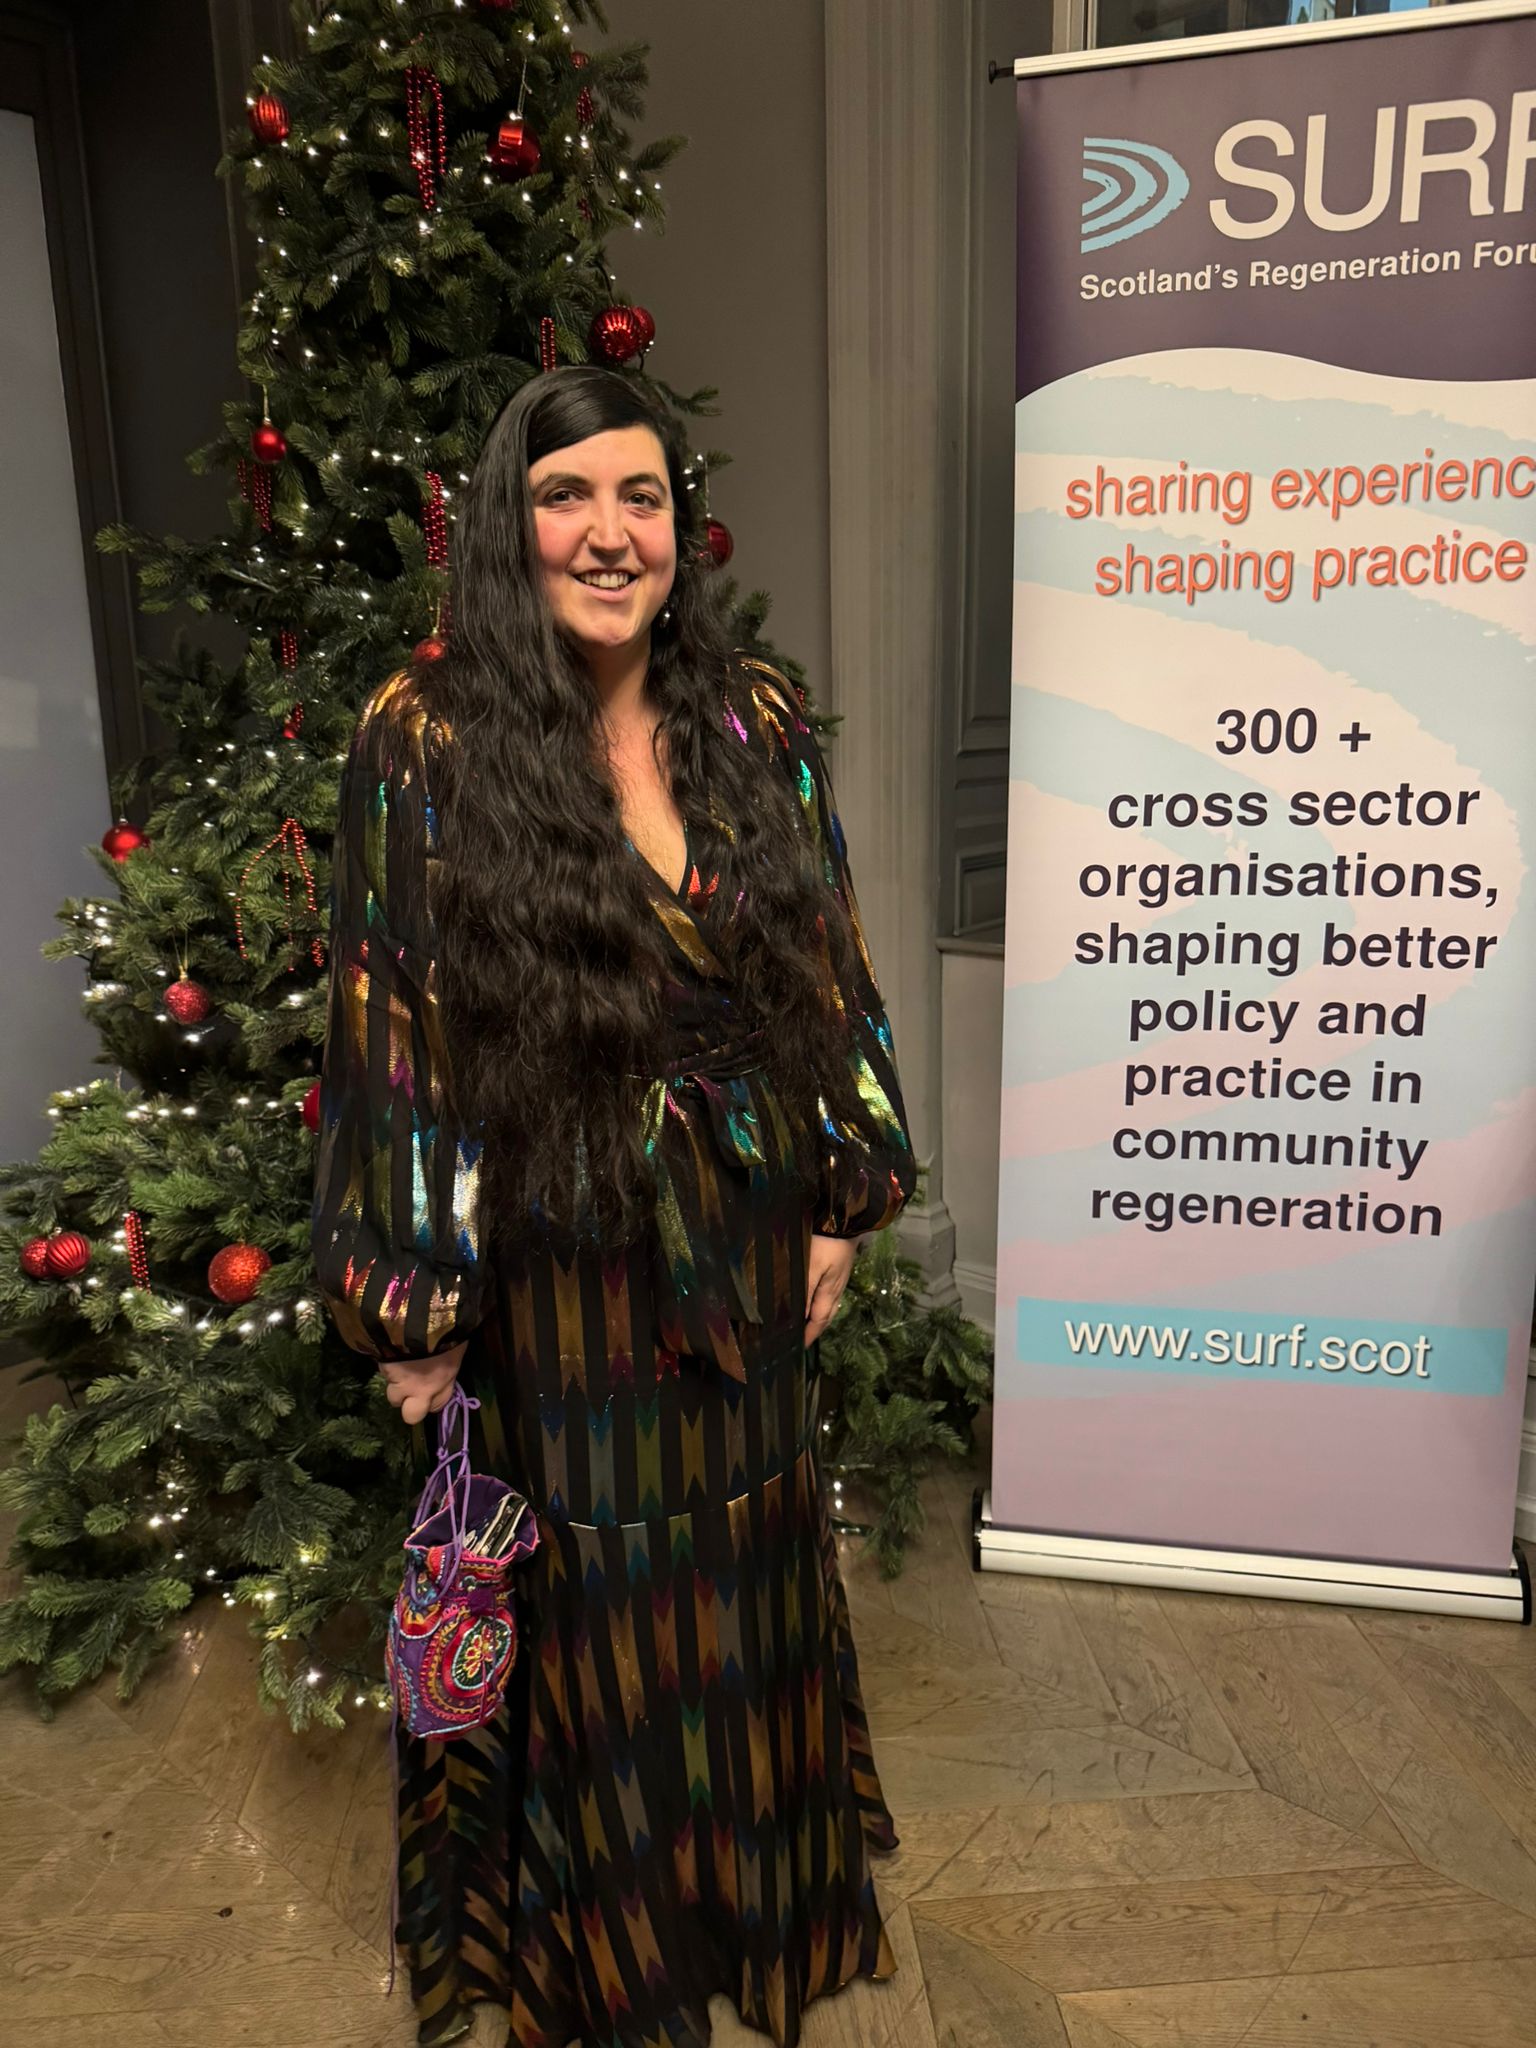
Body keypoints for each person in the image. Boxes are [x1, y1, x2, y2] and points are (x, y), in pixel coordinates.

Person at [311, 362, 917, 2048]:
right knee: (600, 1589)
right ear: (508, 527)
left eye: (638, 496)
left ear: (678, 525)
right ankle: (621, 1948)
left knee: (750, 1557)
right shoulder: (424, 733)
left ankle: (756, 1895)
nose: (606, 532)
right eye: (565, 496)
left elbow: (825, 966)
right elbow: (397, 1022)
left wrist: (843, 1191)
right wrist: (415, 1298)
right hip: (562, 1252)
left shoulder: (754, 715)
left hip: (748, 1226)